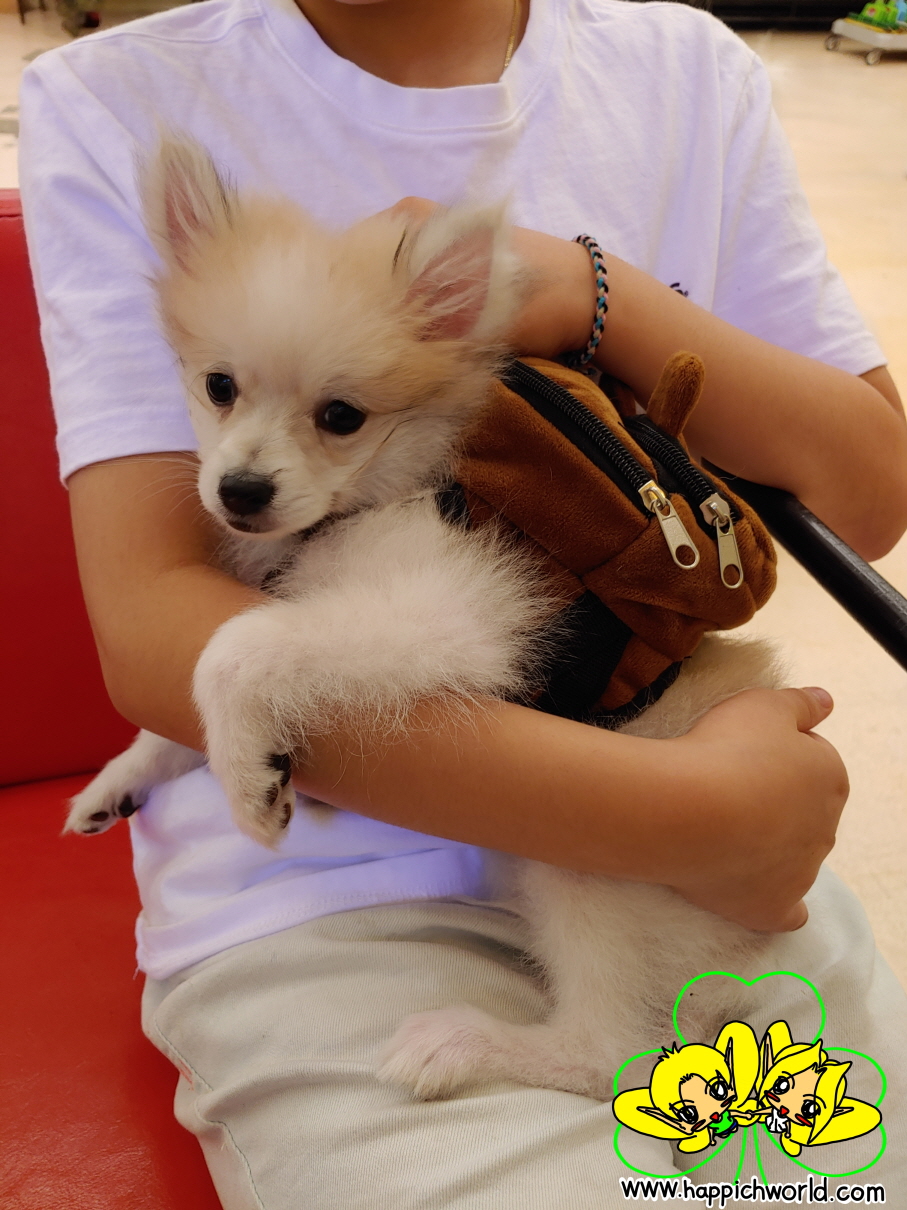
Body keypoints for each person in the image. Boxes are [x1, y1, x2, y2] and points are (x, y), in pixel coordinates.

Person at [18, 0, 907, 1202]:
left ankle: (597, 1040)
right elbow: (160, 632)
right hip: (336, 909)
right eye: (220, 391)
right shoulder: (117, 98)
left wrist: (595, 293)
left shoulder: (686, 72)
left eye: (338, 417)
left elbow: (870, 490)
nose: (246, 461)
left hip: (693, 850)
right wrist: (694, 814)